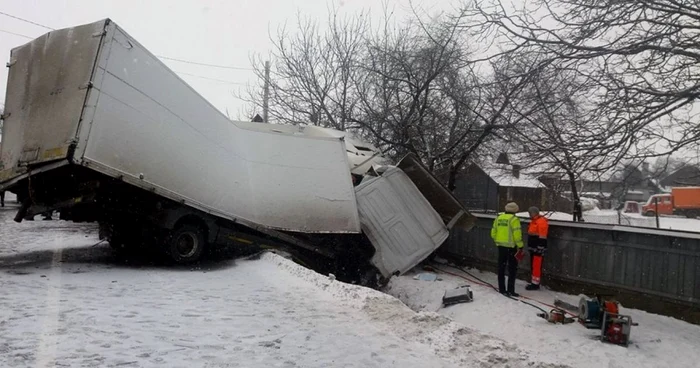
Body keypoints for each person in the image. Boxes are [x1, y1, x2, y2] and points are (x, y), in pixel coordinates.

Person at [491, 202, 524, 297]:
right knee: (512, 269)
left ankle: (502, 289)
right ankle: (510, 290)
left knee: (501, 268)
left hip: (501, 247)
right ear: (515, 211)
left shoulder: (499, 218)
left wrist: (498, 241)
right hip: (511, 248)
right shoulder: (514, 219)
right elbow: (517, 235)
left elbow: (493, 232)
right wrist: (520, 246)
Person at [526, 207, 549, 290]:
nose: (529, 215)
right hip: (533, 248)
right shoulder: (534, 221)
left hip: (538, 248)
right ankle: (533, 281)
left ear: (535, 213)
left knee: (536, 266)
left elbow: (542, 236)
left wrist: (540, 247)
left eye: (530, 213)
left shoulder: (541, 221)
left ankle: (535, 284)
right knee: (534, 265)